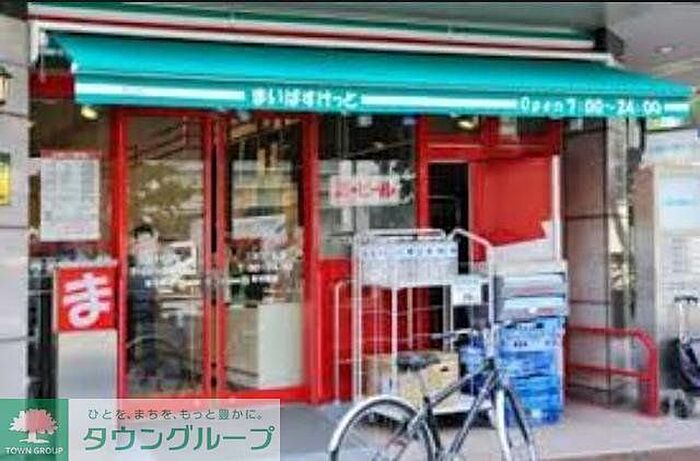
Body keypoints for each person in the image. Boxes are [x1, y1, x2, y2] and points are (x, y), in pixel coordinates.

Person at [127, 223, 160, 386]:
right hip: (141, 294)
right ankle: (147, 369)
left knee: (138, 334)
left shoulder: (139, 249)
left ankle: (140, 367)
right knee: (144, 334)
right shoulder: (150, 248)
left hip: (139, 294)